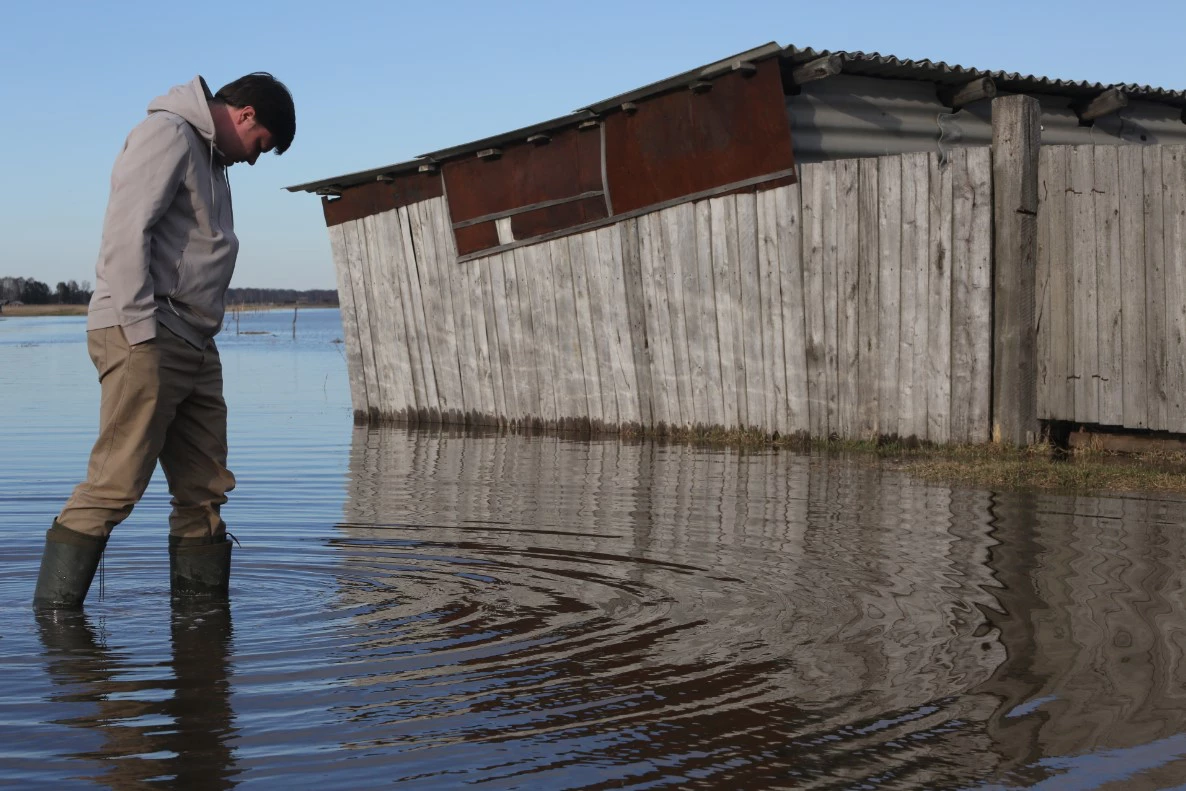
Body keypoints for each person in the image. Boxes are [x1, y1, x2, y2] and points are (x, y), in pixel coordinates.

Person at [33, 73, 296, 608]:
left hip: (194, 339)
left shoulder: (214, 160)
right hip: (147, 329)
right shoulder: (169, 134)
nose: (254, 159)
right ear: (245, 115)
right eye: (261, 145)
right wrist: (140, 334)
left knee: (204, 491)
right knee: (115, 483)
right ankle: (55, 628)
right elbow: (125, 233)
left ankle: (201, 630)